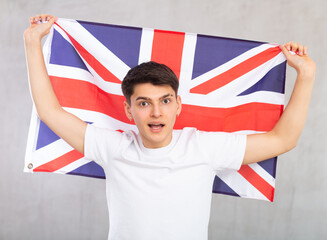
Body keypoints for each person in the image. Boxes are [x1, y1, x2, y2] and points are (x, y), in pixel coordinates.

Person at [24, 14, 316, 240]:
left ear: (178, 105)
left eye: (164, 101)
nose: (156, 112)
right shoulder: (113, 147)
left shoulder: (203, 147)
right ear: (128, 109)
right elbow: (50, 111)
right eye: (143, 103)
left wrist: (305, 74)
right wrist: (32, 42)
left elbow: (283, 139)